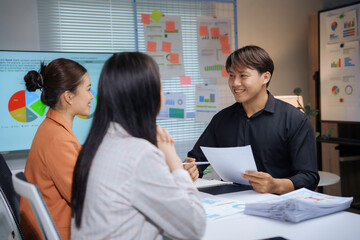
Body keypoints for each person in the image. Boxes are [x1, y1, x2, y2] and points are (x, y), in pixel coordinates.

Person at [71, 52, 206, 239]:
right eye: (160, 88)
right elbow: (194, 227)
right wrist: (174, 161)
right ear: (147, 96)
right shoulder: (139, 154)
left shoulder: (99, 143)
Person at [188, 45, 319, 194]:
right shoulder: (222, 119)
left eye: (243, 76)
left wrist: (274, 185)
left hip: (277, 203)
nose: (235, 83)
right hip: (230, 203)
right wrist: (191, 168)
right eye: (231, 75)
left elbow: (309, 177)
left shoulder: (294, 120)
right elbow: (196, 160)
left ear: (265, 77)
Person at [20, 58, 94, 240]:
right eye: (88, 89)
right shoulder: (58, 140)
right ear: (68, 97)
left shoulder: (52, 128)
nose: (92, 96)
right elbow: (88, 201)